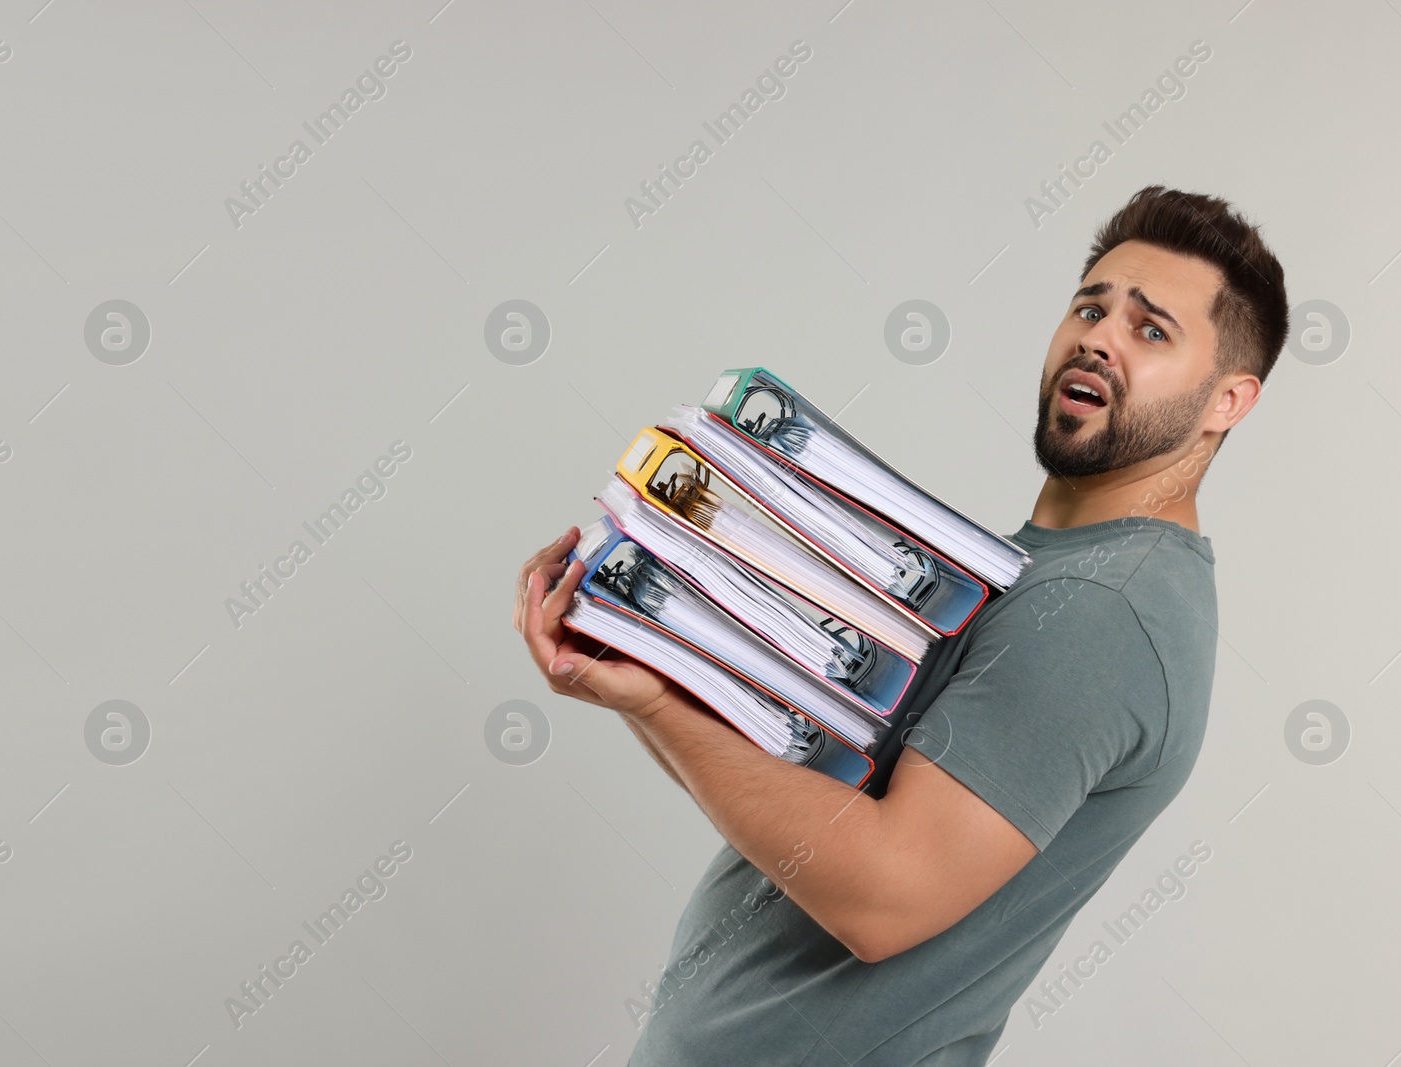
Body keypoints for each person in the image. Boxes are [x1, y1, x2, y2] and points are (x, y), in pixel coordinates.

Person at [512, 184, 1288, 1066]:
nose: (1100, 336)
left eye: (1153, 330)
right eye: (1090, 306)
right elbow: (803, 803)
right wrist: (641, 656)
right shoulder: (1032, 573)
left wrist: (655, 706)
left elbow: (884, 897)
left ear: (1229, 400)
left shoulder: (1104, 611)